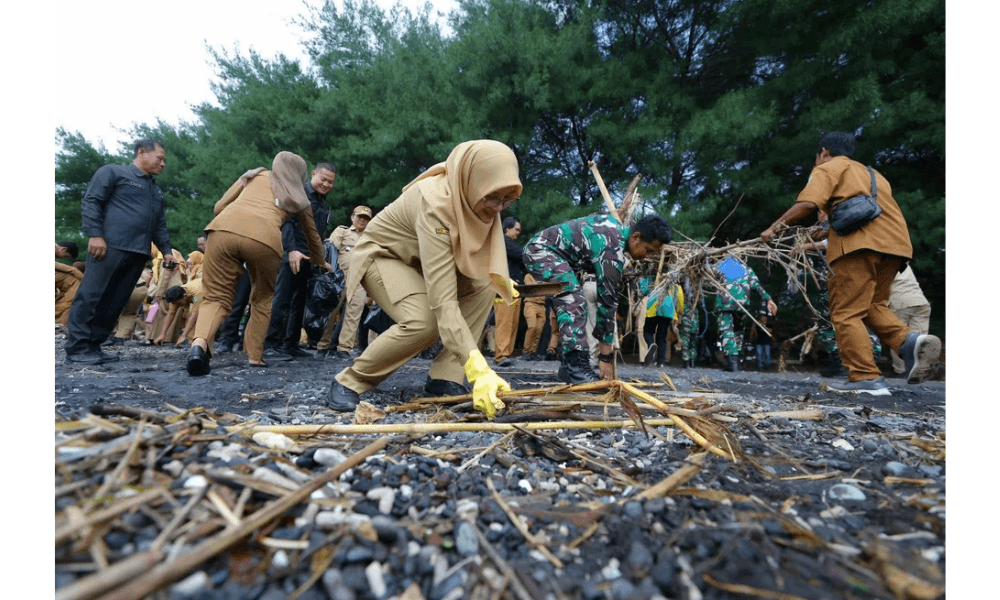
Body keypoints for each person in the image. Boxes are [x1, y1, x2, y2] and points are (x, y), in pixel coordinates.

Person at [326, 139, 523, 419]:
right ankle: (351, 379)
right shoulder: (436, 204)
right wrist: (479, 368)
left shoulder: (476, 200)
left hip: (418, 262)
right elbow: (443, 303)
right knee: (424, 320)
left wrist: (501, 281)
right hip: (384, 256)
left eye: (507, 199)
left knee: (482, 286)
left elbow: (480, 259)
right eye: (493, 197)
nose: (498, 207)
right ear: (472, 179)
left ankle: (446, 376)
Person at [761, 131, 941, 393]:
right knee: (872, 306)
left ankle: (865, 377)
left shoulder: (827, 168)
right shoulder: (872, 174)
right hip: (895, 246)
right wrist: (825, 230)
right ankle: (909, 342)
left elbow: (808, 203)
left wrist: (773, 228)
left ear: (823, 152)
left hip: (859, 248)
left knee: (845, 312)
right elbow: (866, 211)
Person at [186, 152, 332, 375]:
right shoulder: (300, 196)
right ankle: (254, 356)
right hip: (264, 240)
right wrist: (321, 262)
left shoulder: (256, 174)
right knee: (263, 298)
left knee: (215, 297)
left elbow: (218, 207)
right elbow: (313, 237)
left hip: (222, 230)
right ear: (303, 174)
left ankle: (199, 346)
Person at [523, 212, 673, 383]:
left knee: (574, 300)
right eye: (648, 250)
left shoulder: (612, 229)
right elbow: (607, 305)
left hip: (547, 251)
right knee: (574, 299)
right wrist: (606, 358)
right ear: (636, 237)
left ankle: (567, 368)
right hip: (540, 251)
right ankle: (576, 368)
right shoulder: (612, 251)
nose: (646, 256)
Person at [64, 139, 176, 365]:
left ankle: (94, 346)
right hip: (109, 247)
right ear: (142, 153)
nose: (163, 164)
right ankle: (76, 348)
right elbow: (92, 201)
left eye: (165, 160)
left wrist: (166, 250)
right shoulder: (113, 172)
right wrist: (95, 234)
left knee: (116, 301)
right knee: (91, 296)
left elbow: (159, 223)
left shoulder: (156, 190)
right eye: (160, 158)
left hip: (138, 253)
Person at [263, 162, 337, 360]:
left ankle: (291, 344)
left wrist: (320, 259)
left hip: (309, 257)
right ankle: (270, 345)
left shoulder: (322, 201)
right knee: (282, 298)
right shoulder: (298, 194)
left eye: (330, 182)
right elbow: (286, 222)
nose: (326, 184)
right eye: (323, 179)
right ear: (313, 174)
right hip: (292, 253)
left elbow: (318, 233)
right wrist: (291, 250)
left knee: (300, 301)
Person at [319, 205, 374, 359]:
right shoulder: (342, 231)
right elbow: (330, 249)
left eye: (366, 218)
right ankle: (323, 345)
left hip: (360, 281)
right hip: (339, 278)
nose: (362, 220)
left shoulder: (372, 237)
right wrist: (329, 271)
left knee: (353, 314)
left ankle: (344, 348)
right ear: (352, 217)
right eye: (360, 217)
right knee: (332, 312)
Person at [713, 257, 778, 373]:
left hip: (725, 303)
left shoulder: (719, 266)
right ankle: (738, 362)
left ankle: (732, 363)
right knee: (738, 331)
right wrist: (768, 299)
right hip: (742, 305)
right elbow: (756, 286)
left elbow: (708, 282)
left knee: (727, 331)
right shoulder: (746, 269)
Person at [888, 265, 932, 377]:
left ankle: (902, 372)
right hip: (921, 303)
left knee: (898, 338)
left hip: (900, 303)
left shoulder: (883, 262)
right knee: (919, 341)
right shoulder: (903, 263)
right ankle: (919, 372)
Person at [493, 216, 524, 367]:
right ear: (507, 229)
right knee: (505, 321)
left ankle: (507, 354)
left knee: (513, 322)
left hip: (514, 289)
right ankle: (501, 355)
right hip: (504, 287)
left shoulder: (511, 244)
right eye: (516, 229)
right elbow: (521, 254)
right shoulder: (503, 242)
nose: (518, 233)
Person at [637, 275, 684, 368]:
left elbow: (643, 291)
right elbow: (680, 299)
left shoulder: (650, 279)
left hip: (653, 309)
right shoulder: (674, 283)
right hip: (667, 311)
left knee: (647, 331)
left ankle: (650, 347)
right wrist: (679, 313)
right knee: (662, 336)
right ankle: (661, 362)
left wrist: (641, 279)